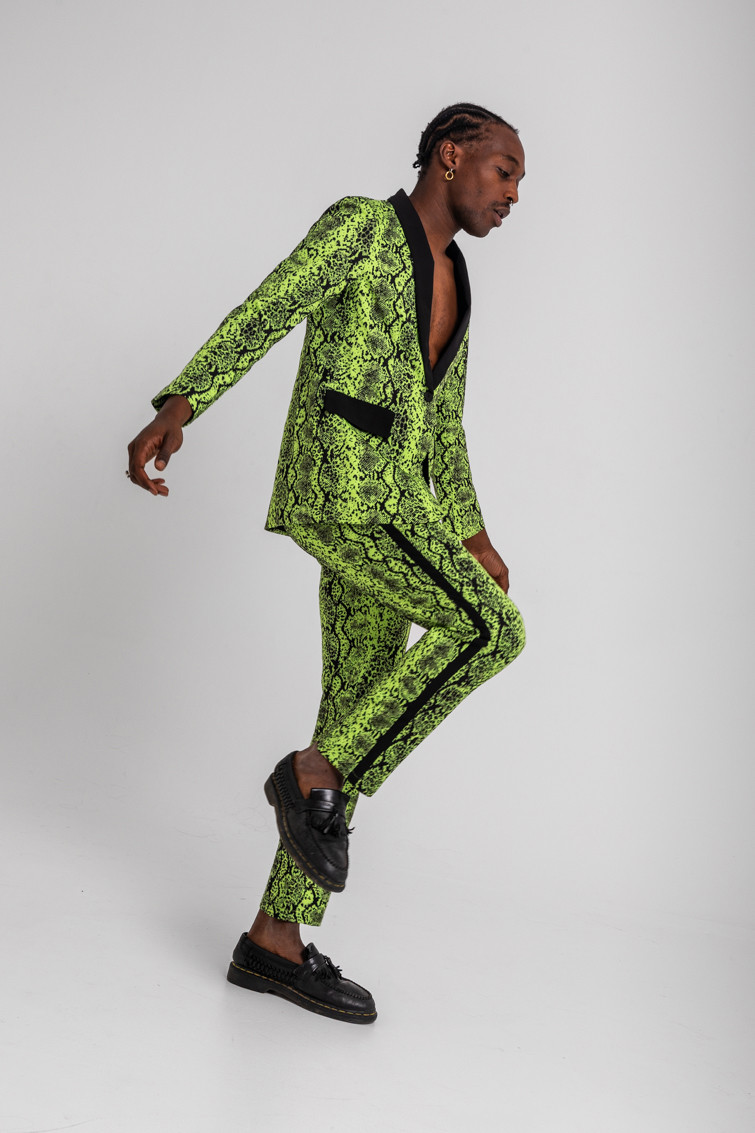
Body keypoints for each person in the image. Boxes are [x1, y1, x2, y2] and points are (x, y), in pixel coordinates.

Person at [127, 102, 527, 1024]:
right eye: (504, 170)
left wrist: (470, 532)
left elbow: (444, 423)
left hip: (401, 505)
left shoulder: (457, 275)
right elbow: (268, 308)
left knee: (361, 704)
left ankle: (273, 938)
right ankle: (315, 770)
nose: (512, 194)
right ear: (450, 155)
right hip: (342, 488)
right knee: (492, 630)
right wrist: (181, 404)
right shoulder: (360, 226)